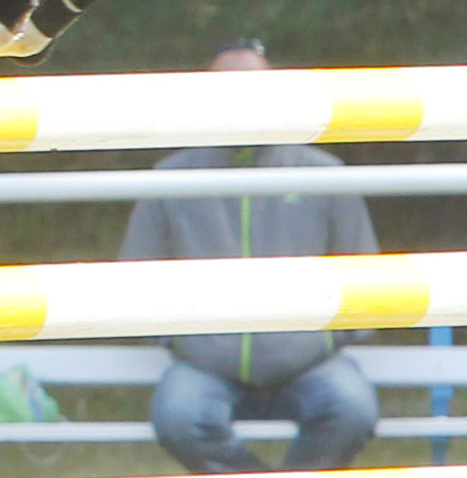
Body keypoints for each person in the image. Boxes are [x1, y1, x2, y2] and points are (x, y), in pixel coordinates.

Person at [118, 39, 381, 473]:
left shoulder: (325, 174)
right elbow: (136, 280)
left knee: (352, 410)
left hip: (310, 365)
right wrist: (183, 341)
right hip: (206, 367)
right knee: (178, 418)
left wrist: (322, 341)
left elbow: (367, 280)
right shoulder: (169, 179)